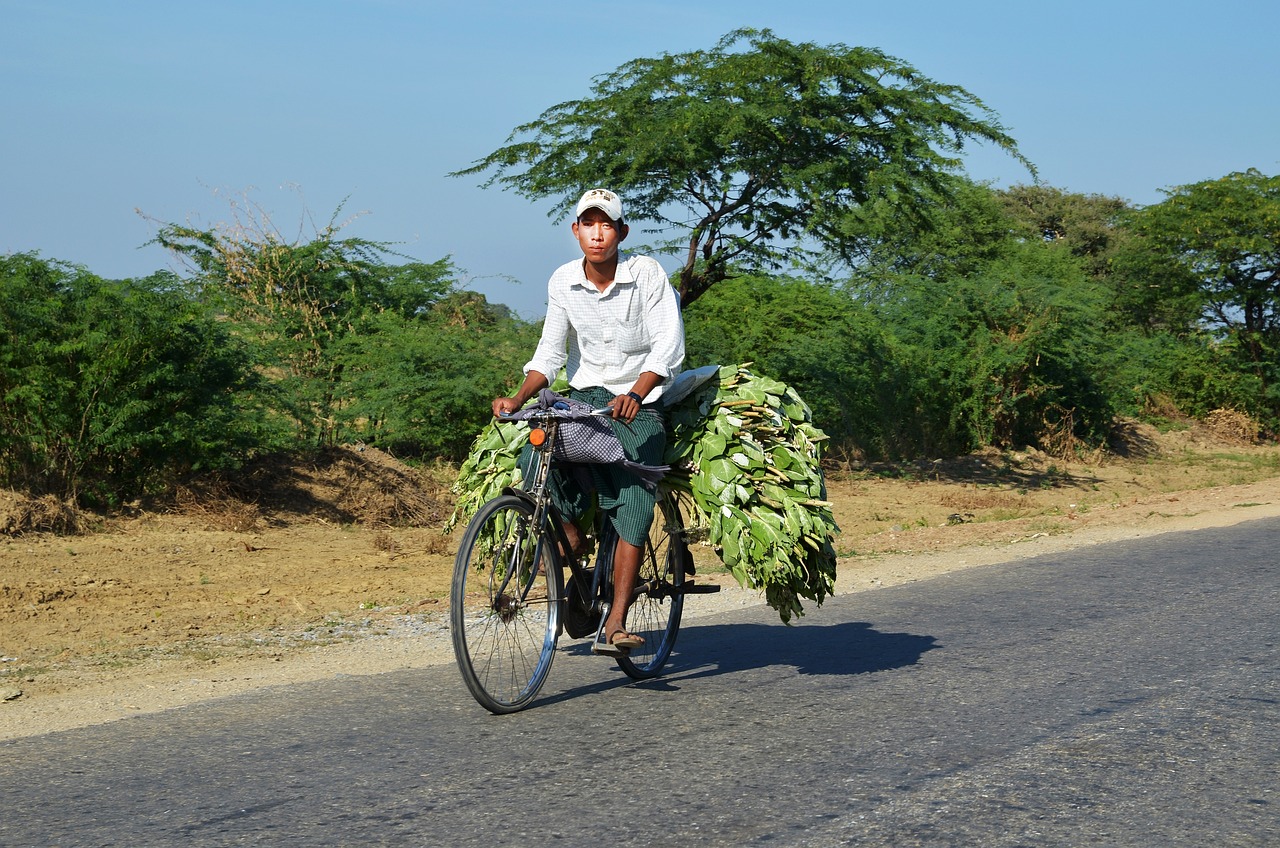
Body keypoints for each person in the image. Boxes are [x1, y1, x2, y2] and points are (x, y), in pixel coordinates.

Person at [492, 188, 685, 655]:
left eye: (607, 225)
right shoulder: (563, 281)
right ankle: (571, 534)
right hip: (583, 399)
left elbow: (668, 346)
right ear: (575, 230)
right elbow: (551, 353)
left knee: (636, 488)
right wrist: (518, 397)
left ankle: (616, 621)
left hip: (640, 400)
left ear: (622, 231)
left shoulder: (647, 275)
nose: (598, 234)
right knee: (536, 450)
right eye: (589, 224)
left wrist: (637, 393)